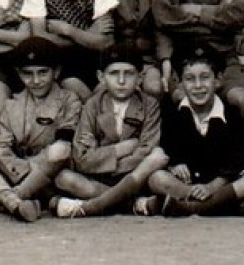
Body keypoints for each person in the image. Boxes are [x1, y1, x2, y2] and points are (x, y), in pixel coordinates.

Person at [147, 47, 244, 217]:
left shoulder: (231, 114)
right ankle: (219, 205)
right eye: (190, 79)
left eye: (205, 78)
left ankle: (191, 207)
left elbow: (237, 160)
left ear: (218, 80)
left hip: (221, 183)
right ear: (181, 83)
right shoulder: (174, 114)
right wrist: (175, 164)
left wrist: (212, 187)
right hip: (188, 184)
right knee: (156, 178)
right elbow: (169, 148)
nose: (198, 86)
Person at [53, 44, 169, 218]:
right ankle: (131, 204)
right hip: (101, 179)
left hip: (134, 176)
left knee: (157, 157)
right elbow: (82, 158)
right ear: (101, 77)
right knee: (64, 178)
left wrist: (105, 158)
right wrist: (120, 149)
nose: (121, 81)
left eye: (128, 74)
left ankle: (93, 205)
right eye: (114, 74)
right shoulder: (93, 105)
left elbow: (147, 149)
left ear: (140, 78)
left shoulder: (149, 104)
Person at [0, 38, 84, 222]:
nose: (36, 80)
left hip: (57, 171)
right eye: (28, 74)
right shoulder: (12, 104)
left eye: (43, 72)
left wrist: (35, 166)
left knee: (59, 152)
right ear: (18, 74)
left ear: (56, 72)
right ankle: (38, 200)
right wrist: (26, 171)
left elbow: (66, 141)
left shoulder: (69, 101)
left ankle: (16, 198)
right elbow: (0, 149)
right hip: (18, 173)